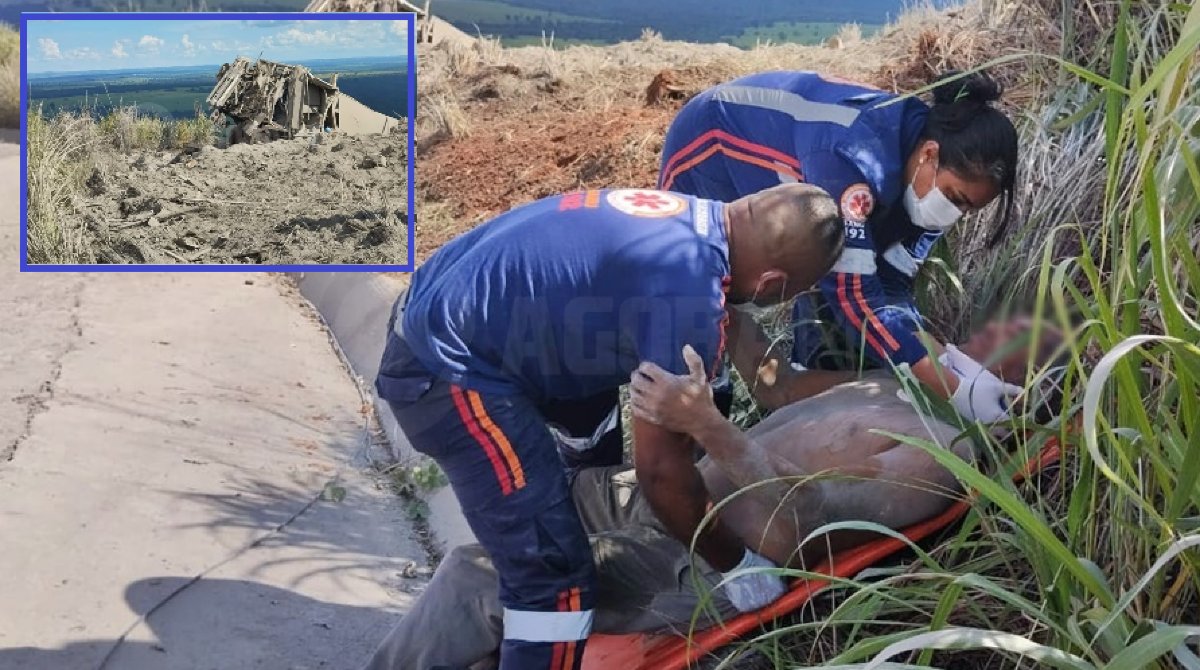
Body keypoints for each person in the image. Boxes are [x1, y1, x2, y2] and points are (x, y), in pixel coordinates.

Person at [363, 317, 1065, 670]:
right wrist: (722, 310)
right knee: (526, 496)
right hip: (654, 491)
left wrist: (706, 424)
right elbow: (779, 390)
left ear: (1011, 393)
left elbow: (800, 533)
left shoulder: (942, 456)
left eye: (999, 347)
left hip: (700, 555)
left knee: (471, 578)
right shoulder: (887, 384)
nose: (969, 342)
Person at [372, 183, 844, 669]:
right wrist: (737, 565)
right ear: (769, 284)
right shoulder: (691, 299)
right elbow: (659, 473)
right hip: (448, 374)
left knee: (566, 495)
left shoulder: (686, 219)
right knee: (553, 584)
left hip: (438, 317)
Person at [658, 69, 1021, 423]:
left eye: (969, 208)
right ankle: (699, 422)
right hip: (711, 147)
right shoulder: (852, 160)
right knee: (707, 306)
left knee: (826, 276)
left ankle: (801, 392)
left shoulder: (927, 181)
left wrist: (951, 363)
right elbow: (855, 296)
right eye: (957, 199)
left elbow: (893, 286)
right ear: (929, 154)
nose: (955, 214)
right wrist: (953, 391)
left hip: (801, 164)